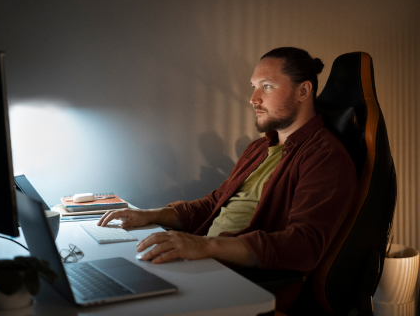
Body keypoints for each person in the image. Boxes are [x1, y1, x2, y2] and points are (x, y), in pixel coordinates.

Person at [98, 47, 357, 274]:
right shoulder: (258, 148)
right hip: (206, 263)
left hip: (249, 279)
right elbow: (214, 204)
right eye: (254, 87)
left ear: (303, 91)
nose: (253, 98)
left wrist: (206, 245)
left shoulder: (324, 157)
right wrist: (148, 215)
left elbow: (303, 246)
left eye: (267, 86)